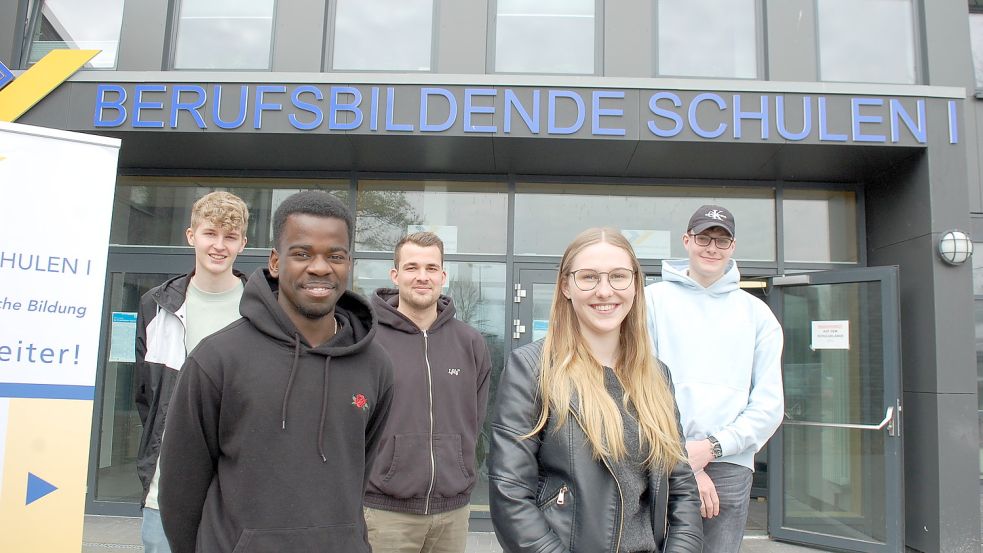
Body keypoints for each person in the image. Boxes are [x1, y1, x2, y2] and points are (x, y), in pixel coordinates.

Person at [158, 190, 394, 553]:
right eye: (301, 254)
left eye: (336, 256)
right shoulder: (217, 359)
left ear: (349, 264)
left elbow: (358, 472)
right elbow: (180, 489)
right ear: (274, 262)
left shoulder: (375, 364)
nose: (319, 267)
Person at [488, 227, 702, 553]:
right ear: (566, 286)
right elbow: (510, 492)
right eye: (588, 277)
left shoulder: (658, 376)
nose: (605, 291)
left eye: (618, 277)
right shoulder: (531, 369)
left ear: (635, 285)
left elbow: (682, 487)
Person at [644, 204, 784, 553]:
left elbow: (769, 406)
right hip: (659, 458)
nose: (712, 247)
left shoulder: (758, 315)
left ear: (732, 247)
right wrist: (684, 459)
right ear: (686, 240)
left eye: (722, 241)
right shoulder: (651, 302)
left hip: (729, 466)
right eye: (704, 237)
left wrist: (710, 449)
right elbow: (640, 387)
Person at [134, 191, 249, 553]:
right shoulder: (156, 306)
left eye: (230, 237)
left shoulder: (261, 308)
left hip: (240, 490)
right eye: (210, 234)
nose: (219, 246)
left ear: (243, 244)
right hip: (166, 490)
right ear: (191, 236)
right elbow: (146, 396)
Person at [364, 231, 492, 553]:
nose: (422, 277)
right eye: (412, 267)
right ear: (395, 275)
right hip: (384, 513)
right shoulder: (368, 340)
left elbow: (474, 420)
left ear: (443, 276)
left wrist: (458, 469)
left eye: (432, 268)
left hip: (452, 512)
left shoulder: (470, 343)